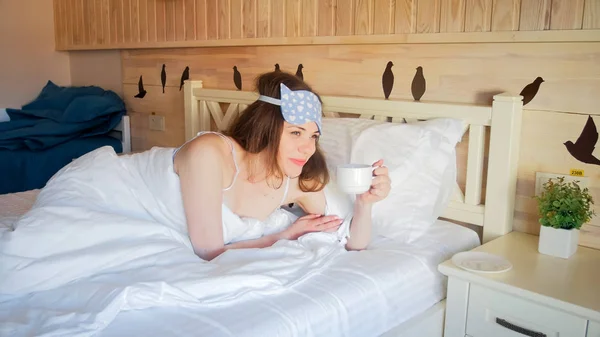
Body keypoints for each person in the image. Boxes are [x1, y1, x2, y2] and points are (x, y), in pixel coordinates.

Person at [173, 71, 391, 261]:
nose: (308, 148)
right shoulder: (208, 152)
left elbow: (354, 242)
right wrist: (282, 237)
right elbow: (209, 253)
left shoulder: (295, 182)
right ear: (264, 128)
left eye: (313, 136)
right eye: (296, 133)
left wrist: (365, 203)